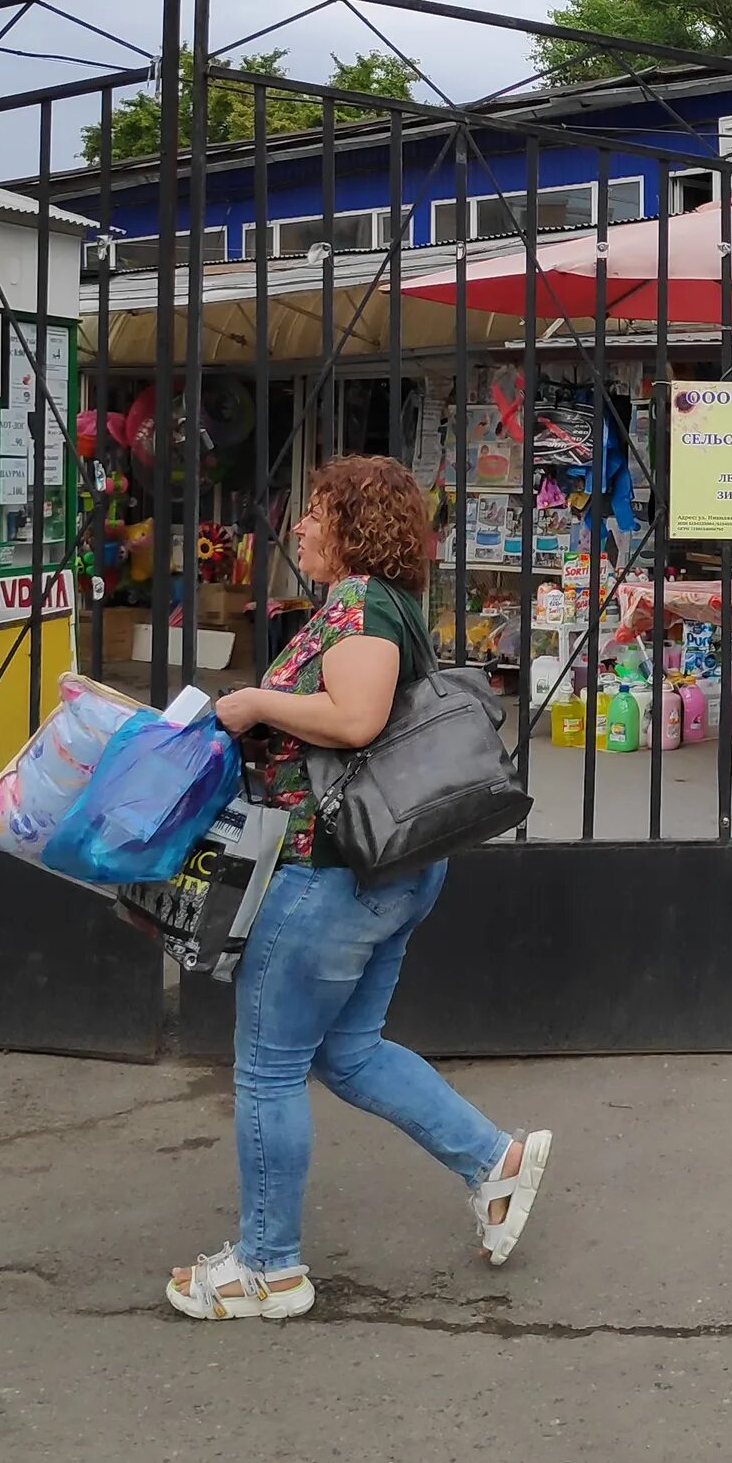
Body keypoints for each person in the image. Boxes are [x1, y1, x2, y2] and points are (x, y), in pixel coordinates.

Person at [166, 454, 551, 1321]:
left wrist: (257, 704)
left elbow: (356, 719)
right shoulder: (380, 604)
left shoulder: (362, 605)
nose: (298, 527)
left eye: (314, 513)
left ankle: (268, 1268)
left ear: (351, 527)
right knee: (348, 1052)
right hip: (386, 872)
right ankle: (494, 1160)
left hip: (331, 874)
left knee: (267, 1071)